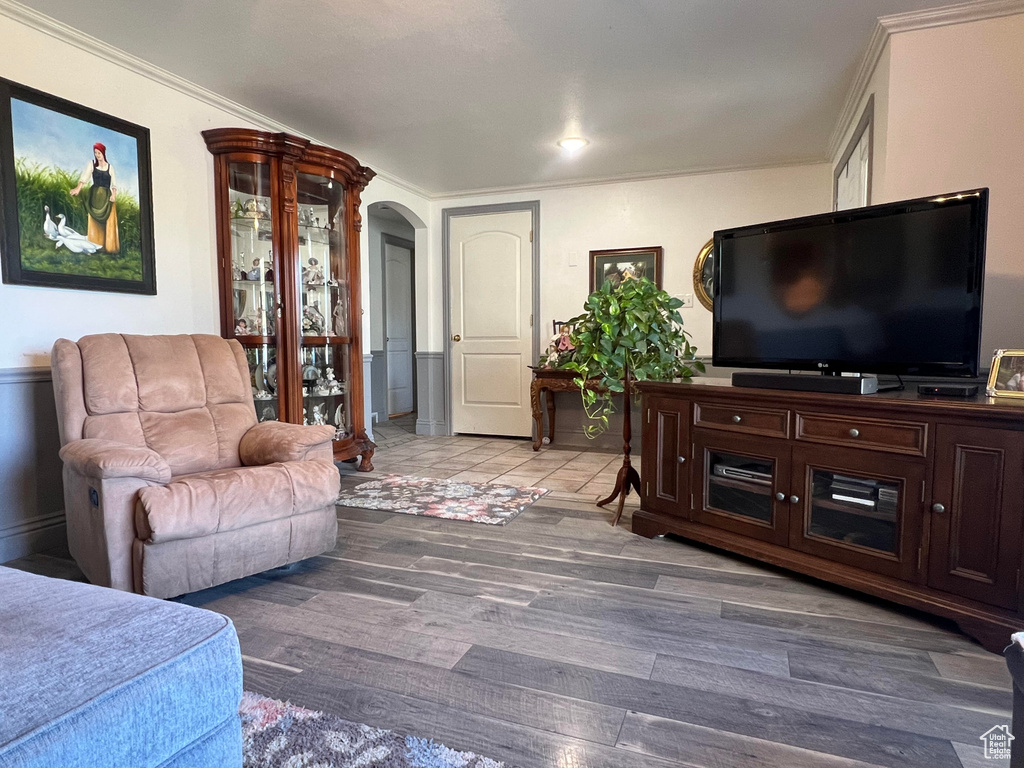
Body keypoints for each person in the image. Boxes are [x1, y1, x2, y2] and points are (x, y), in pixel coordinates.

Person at [69, 142, 120, 253]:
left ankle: (110, 248)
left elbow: (114, 184)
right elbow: (85, 177)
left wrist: (113, 195)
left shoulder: (110, 168)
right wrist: (78, 188)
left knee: (109, 221)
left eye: (99, 152)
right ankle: (95, 246)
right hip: (95, 197)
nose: (97, 155)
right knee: (94, 222)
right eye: (95, 153)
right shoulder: (92, 164)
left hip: (107, 198)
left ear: (103, 153)